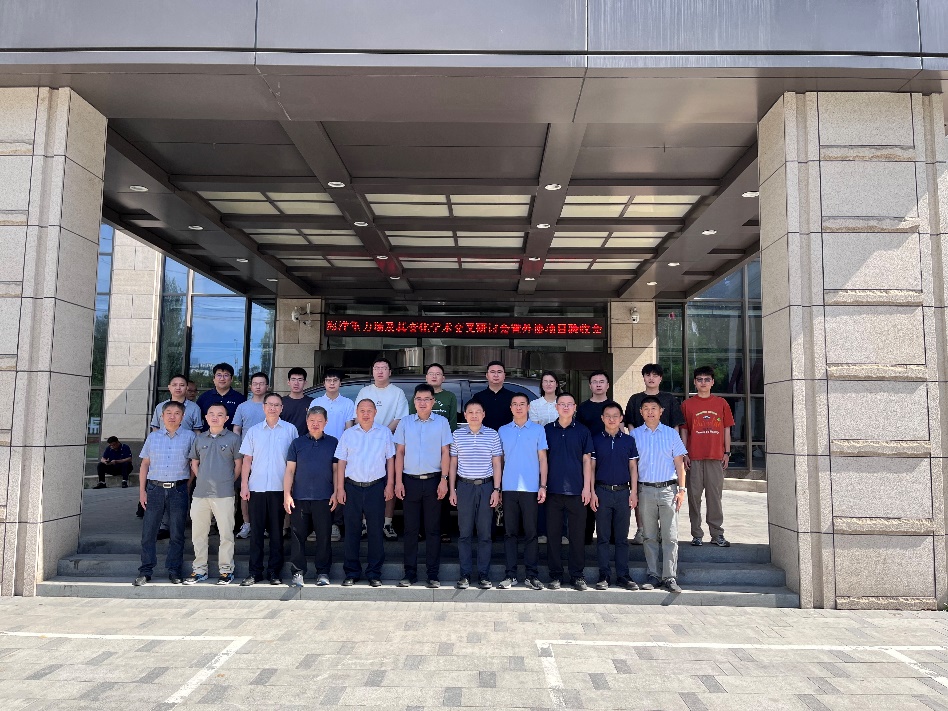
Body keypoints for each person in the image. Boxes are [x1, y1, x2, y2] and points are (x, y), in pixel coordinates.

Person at [394, 384, 452, 588]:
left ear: (433, 401)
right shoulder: (405, 422)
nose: (423, 403)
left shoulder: (442, 422)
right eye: (419, 399)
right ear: (414, 401)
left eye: (427, 399)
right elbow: (399, 452)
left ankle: (432, 574)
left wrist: (444, 480)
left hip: (434, 481)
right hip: (409, 481)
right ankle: (409, 573)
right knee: (410, 530)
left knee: (433, 530)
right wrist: (398, 481)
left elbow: (446, 452)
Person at [239, 393, 299, 586]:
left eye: (277, 405)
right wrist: (244, 484)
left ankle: (274, 572)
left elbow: (294, 461)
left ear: (282, 408)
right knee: (256, 533)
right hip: (256, 488)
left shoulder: (290, 430)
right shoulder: (254, 431)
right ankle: (254, 572)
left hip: (279, 489)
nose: (273, 408)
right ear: (264, 407)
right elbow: (247, 460)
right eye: (269, 404)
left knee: (276, 534)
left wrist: (291, 488)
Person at [334, 399, 395, 587]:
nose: (366, 414)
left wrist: (390, 484)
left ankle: (374, 573)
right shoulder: (348, 434)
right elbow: (341, 462)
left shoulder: (384, 432)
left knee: (375, 532)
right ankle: (351, 572)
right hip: (352, 487)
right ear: (356, 413)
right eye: (362, 410)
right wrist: (340, 488)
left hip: (376, 487)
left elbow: (390, 460)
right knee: (352, 532)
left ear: (375, 412)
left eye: (369, 410)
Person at [133, 401, 196, 586]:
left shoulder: (190, 437)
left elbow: (193, 464)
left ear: (182, 417)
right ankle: (145, 571)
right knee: (149, 532)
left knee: (177, 533)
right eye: (168, 412)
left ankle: (174, 570)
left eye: (177, 413)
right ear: (162, 416)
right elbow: (145, 465)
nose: (172, 416)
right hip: (155, 489)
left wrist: (186, 485)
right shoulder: (153, 437)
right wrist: (142, 491)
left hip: (178, 489)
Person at [623, 363, 684, 545]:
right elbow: (630, 423)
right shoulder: (635, 399)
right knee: (640, 489)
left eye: (655, 375)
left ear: (660, 378)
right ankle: (642, 530)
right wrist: (635, 444)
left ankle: (665, 533)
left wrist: (675, 449)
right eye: (648, 375)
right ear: (643, 377)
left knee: (666, 495)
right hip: (641, 447)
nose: (651, 378)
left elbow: (675, 424)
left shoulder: (669, 399)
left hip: (665, 449)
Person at [632, 395, 688, 593]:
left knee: (670, 536)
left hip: (668, 491)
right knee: (649, 536)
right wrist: (634, 492)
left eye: (654, 408)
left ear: (661, 411)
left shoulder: (671, 434)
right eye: (646, 408)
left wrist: (682, 490)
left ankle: (670, 577)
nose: (650, 412)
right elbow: (632, 466)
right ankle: (653, 575)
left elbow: (679, 464)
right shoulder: (635, 435)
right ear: (641, 412)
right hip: (645, 490)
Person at [185, 404, 242, 585]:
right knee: (198, 534)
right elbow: (194, 463)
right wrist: (202, 478)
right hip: (200, 493)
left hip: (224, 493)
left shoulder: (234, 439)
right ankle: (199, 570)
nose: (215, 417)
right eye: (211, 414)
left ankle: (226, 571)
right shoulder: (199, 438)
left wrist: (228, 481)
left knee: (226, 535)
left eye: (219, 414)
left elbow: (238, 465)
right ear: (206, 417)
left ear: (226, 418)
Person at [449, 400, 502, 590]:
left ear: (483, 414)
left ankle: (483, 575)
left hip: (486, 486)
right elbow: (453, 464)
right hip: (464, 486)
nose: (474, 415)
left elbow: (497, 464)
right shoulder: (457, 435)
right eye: (470, 412)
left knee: (485, 534)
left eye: (477, 412)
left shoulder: (492, 434)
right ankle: (465, 574)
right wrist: (452, 489)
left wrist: (497, 490)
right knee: (464, 533)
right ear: (465, 415)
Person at [497, 393, 547, 591]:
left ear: (528, 407)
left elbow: (543, 459)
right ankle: (510, 575)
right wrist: (497, 488)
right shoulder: (502, 430)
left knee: (531, 533)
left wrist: (543, 485)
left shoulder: (538, 430)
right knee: (509, 533)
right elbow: (499, 461)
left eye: (522, 404)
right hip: (508, 488)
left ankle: (531, 575)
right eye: (515, 404)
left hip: (531, 488)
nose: (518, 407)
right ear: (510, 408)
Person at [284, 406, 338, 588]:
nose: (315, 424)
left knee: (324, 536)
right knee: (297, 536)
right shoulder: (297, 443)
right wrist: (287, 495)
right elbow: (290, 471)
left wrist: (336, 492)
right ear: (306, 422)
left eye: (319, 421)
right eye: (312, 421)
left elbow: (336, 470)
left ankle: (323, 572)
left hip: (324, 497)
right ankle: (298, 572)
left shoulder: (333, 442)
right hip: (299, 498)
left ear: (326, 423)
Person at [544, 393, 594, 591]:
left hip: (577, 491)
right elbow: (542, 460)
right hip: (552, 491)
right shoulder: (547, 430)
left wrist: (587, 488)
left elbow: (587, 461)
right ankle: (555, 575)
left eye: (569, 404)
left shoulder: (582, 431)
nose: (565, 407)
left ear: (575, 408)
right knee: (553, 536)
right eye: (562, 404)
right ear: (556, 407)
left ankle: (577, 575)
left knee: (577, 536)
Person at [680, 366, 734, 548]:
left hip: (715, 457)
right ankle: (696, 534)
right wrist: (684, 453)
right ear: (694, 382)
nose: (703, 382)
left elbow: (726, 429)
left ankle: (717, 533)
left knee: (715, 498)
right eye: (700, 379)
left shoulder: (721, 403)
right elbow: (684, 431)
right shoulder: (687, 405)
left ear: (712, 382)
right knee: (694, 498)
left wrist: (727, 452)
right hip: (694, 458)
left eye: (707, 379)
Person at [356, 357, 408, 540]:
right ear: (372, 371)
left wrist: (381, 433)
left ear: (390, 372)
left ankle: (387, 523)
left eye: (384, 368)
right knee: (364, 483)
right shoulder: (364, 391)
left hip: (389, 445)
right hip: (365, 446)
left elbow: (400, 418)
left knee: (389, 483)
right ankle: (364, 523)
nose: (380, 371)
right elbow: (358, 416)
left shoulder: (398, 393)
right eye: (376, 368)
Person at [590, 401, 639, 591]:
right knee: (602, 537)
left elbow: (633, 467)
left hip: (623, 492)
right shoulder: (595, 439)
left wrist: (633, 492)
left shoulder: (628, 441)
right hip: (601, 492)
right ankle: (604, 575)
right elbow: (591, 468)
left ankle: (623, 575)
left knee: (621, 538)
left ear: (621, 419)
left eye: (615, 416)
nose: (612, 419)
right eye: (608, 416)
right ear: (602, 418)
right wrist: (592, 492)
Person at [409, 362, 459, 542]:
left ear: (443, 378)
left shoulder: (450, 396)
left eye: (438, 374)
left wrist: (447, 447)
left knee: (441, 490)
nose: (434, 376)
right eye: (431, 373)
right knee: (421, 496)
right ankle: (421, 529)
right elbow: (411, 421)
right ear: (426, 377)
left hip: (443, 448)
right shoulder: (417, 397)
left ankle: (443, 529)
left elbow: (452, 423)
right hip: (421, 450)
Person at [310, 368, 356, 542]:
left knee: (339, 485)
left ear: (340, 383)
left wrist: (348, 450)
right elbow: (312, 426)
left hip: (340, 450)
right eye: (328, 380)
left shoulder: (347, 403)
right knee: (320, 486)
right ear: (324, 383)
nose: (331, 383)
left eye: (335, 380)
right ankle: (318, 525)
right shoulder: (316, 402)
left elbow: (349, 428)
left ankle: (335, 524)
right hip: (319, 448)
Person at [575, 370, 612, 544]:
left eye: (601, 381)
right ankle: (586, 536)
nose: (598, 384)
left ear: (607, 385)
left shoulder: (613, 406)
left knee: (607, 494)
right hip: (588, 456)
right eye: (595, 382)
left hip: (609, 457)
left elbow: (620, 429)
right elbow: (579, 434)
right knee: (588, 493)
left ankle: (610, 536)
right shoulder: (583, 408)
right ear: (590, 386)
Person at [232, 371, 270, 540]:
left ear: (267, 386)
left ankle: (265, 525)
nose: (258, 386)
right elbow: (236, 430)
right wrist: (238, 452)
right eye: (255, 383)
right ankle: (247, 523)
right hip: (246, 455)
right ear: (250, 386)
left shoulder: (271, 405)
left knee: (266, 491)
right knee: (244, 489)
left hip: (267, 455)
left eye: (261, 383)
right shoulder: (243, 407)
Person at [528, 370, 559, 545]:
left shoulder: (562, 403)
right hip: (539, 452)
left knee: (557, 492)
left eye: (551, 381)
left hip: (560, 452)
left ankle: (559, 532)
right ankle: (541, 532)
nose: (548, 384)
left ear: (557, 384)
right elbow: (535, 428)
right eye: (545, 381)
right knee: (540, 490)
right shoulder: (534, 404)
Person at [196, 363, 246, 431]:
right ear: (213, 378)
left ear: (231, 379)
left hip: (232, 437)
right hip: (208, 436)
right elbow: (198, 421)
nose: (222, 378)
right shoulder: (204, 397)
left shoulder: (240, 399)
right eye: (219, 375)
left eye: (226, 375)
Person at [469, 361, 515, 431]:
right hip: (484, 436)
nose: (496, 375)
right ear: (487, 375)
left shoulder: (513, 397)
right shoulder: (478, 397)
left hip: (507, 435)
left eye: (499, 372)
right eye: (492, 372)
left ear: (504, 375)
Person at [281, 367, 314, 437]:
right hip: (284, 440)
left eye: (300, 380)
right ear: (288, 382)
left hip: (305, 441)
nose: (296, 383)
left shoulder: (312, 403)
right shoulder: (281, 402)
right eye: (293, 379)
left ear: (305, 382)